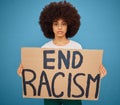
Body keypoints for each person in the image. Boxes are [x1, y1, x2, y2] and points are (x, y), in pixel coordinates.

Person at [17, 1, 107, 105]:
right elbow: (39, 76)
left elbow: (83, 73)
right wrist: (24, 73)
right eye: (56, 24)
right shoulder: (44, 48)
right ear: (50, 26)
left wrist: (97, 73)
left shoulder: (77, 47)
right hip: (50, 94)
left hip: (73, 94)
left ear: (69, 25)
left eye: (63, 24)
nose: (59, 27)